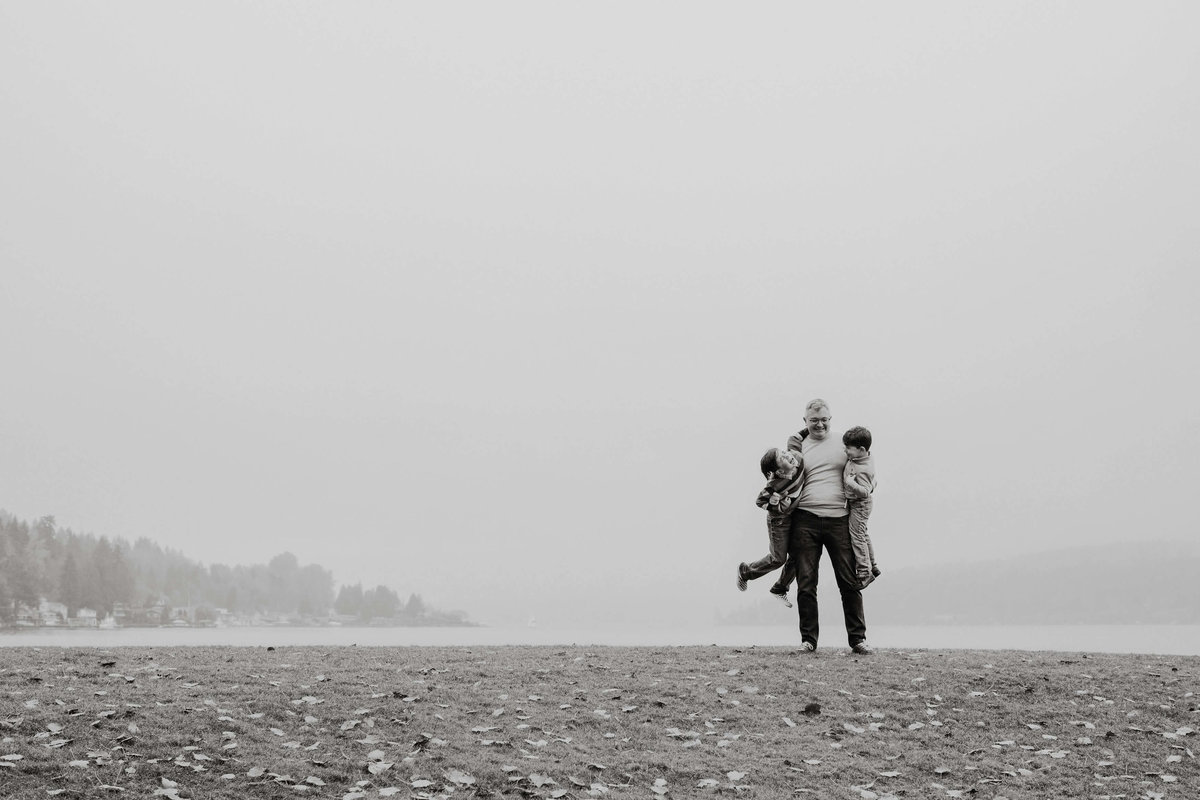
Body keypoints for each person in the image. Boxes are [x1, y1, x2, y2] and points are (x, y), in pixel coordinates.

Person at [783, 399, 872, 655]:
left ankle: (858, 639)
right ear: (805, 421)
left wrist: (869, 487)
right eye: (814, 420)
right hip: (805, 519)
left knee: (848, 580)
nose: (819, 424)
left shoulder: (843, 444)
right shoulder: (798, 449)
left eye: (824, 420)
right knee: (807, 583)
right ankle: (808, 640)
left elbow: (865, 464)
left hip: (839, 519)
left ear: (830, 419)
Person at [736, 447, 802, 608]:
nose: (788, 455)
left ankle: (780, 588)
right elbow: (760, 502)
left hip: (793, 517)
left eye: (784, 452)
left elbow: (797, 439)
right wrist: (776, 504)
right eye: (783, 458)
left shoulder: (799, 459)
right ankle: (746, 571)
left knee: (798, 554)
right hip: (778, 521)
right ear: (779, 471)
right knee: (778, 559)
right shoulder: (774, 484)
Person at [842, 426, 880, 589]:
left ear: (862, 449)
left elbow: (864, 492)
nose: (845, 451)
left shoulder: (862, 468)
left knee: (856, 535)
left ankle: (865, 573)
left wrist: (850, 483)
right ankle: (873, 565)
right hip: (858, 504)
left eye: (848, 448)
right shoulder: (863, 458)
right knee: (862, 533)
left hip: (860, 505)